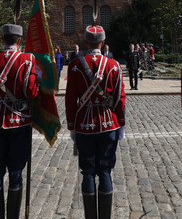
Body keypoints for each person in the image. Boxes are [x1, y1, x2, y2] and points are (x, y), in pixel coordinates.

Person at [0, 24, 39, 219]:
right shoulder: (27, 60)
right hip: (19, 123)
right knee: (15, 172)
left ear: (3, 39)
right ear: (19, 40)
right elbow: (30, 92)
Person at [66, 25, 126, 219]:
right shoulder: (114, 65)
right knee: (106, 171)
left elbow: (70, 99)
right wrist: (121, 122)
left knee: (88, 172)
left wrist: (71, 125)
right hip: (109, 123)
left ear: (85, 42)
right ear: (103, 43)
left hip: (84, 125)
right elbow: (120, 97)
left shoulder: (75, 65)